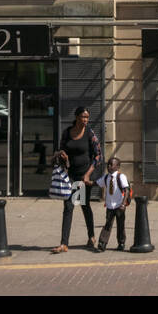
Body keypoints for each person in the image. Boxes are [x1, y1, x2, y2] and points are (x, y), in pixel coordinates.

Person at [51, 106, 101, 254]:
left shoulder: (89, 133)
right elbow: (61, 149)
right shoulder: (67, 132)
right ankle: (64, 243)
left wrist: (88, 175)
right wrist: (63, 156)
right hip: (70, 175)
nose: (85, 120)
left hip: (84, 175)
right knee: (68, 206)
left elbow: (98, 156)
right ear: (76, 117)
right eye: (83, 117)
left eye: (87, 117)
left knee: (85, 205)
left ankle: (91, 236)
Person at [94, 156, 131, 252]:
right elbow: (97, 183)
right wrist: (86, 182)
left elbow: (126, 190)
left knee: (120, 225)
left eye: (111, 164)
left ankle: (121, 243)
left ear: (117, 166)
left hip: (119, 205)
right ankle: (102, 243)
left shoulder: (121, 176)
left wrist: (123, 204)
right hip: (110, 205)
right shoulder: (106, 177)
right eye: (108, 164)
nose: (109, 166)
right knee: (108, 224)